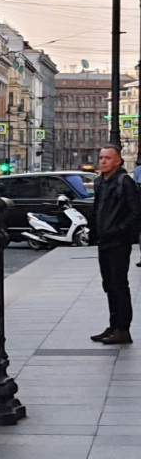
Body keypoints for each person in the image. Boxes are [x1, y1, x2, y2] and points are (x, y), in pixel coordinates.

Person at [91, 145, 141, 345]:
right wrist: (94, 232)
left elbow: (136, 212)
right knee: (109, 284)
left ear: (118, 161)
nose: (103, 161)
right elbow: (97, 210)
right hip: (104, 241)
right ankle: (113, 326)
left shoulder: (124, 182)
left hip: (118, 241)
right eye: (101, 157)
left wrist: (119, 230)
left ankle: (123, 329)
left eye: (108, 158)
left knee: (119, 284)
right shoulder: (99, 182)